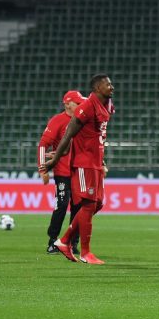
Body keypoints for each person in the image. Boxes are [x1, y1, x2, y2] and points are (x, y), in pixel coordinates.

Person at [40, 75, 115, 265]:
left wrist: (103, 161)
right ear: (98, 87)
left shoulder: (106, 105)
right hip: (84, 163)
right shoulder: (86, 107)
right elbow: (68, 135)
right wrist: (55, 159)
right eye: (108, 84)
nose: (112, 87)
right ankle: (84, 252)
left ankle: (64, 241)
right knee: (84, 205)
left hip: (96, 162)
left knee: (97, 204)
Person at [38, 90, 84, 254]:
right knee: (62, 205)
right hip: (63, 171)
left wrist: (102, 163)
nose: (80, 105)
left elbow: (93, 146)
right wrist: (42, 168)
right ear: (67, 104)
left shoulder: (84, 121)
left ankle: (72, 243)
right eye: (77, 103)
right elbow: (43, 144)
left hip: (81, 172)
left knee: (80, 209)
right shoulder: (57, 121)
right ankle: (53, 241)